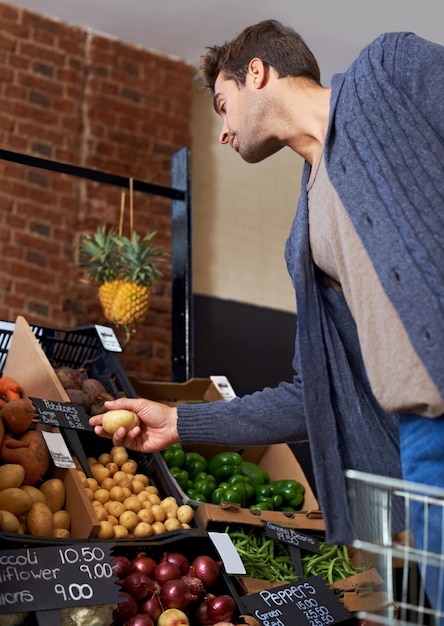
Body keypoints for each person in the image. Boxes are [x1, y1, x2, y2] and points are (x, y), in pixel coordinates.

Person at [90, 20, 444, 615]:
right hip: (422, 444)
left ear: (257, 72)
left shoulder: (388, 73)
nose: (224, 132)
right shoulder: (304, 241)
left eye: (224, 106)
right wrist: (181, 422)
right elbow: (315, 395)